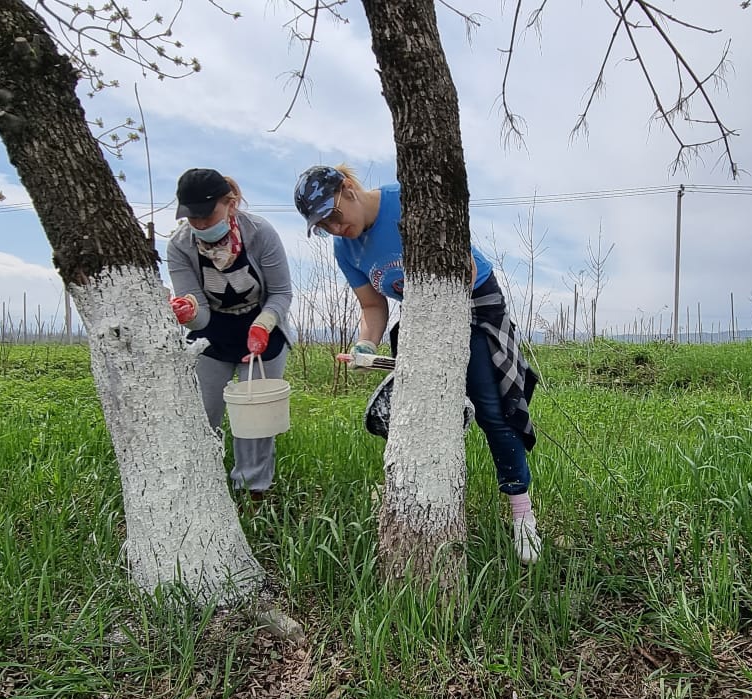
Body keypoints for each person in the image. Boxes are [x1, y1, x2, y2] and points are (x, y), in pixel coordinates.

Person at [293, 164, 543, 564]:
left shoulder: (408, 200)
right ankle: (429, 500)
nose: (335, 229)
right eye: (323, 227)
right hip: (421, 315)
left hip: (474, 298)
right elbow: (373, 306)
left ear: (349, 189)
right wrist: (365, 345)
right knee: (420, 412)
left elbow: (466, 268)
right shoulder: (345, 251)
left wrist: (445, 323)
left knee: (492, 407)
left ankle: (522, 514)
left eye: (334, 216)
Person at [167, 167, 294, 507]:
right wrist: (188, 313)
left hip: (262, 326)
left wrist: (263, 325)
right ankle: (201, 486)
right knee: (202, 412)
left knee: (255, 416)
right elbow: (200, 312)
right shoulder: (179, 246)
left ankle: (253, 492)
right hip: (212, 332)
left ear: (230, 204)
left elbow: (281, 293)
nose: (200, 224)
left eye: (208, 215)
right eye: (193, 218)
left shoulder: (260, 233)